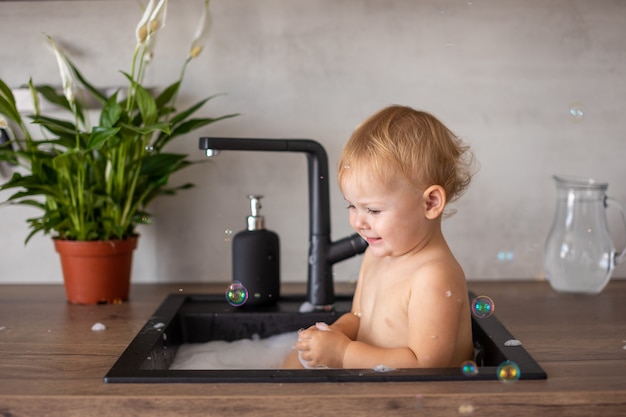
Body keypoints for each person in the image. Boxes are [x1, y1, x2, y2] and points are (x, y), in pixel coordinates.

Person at [283, 105, 476, 369]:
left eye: (373, 210)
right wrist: (335, 333)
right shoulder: (374, 256)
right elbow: (359, 317)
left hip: (418, 404)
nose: (358, 222)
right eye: (351, 206)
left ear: (430, 203)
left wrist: (343, 354)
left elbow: (426, 365)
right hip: (377, 387)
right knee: (292, 362)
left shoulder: (433, 276)